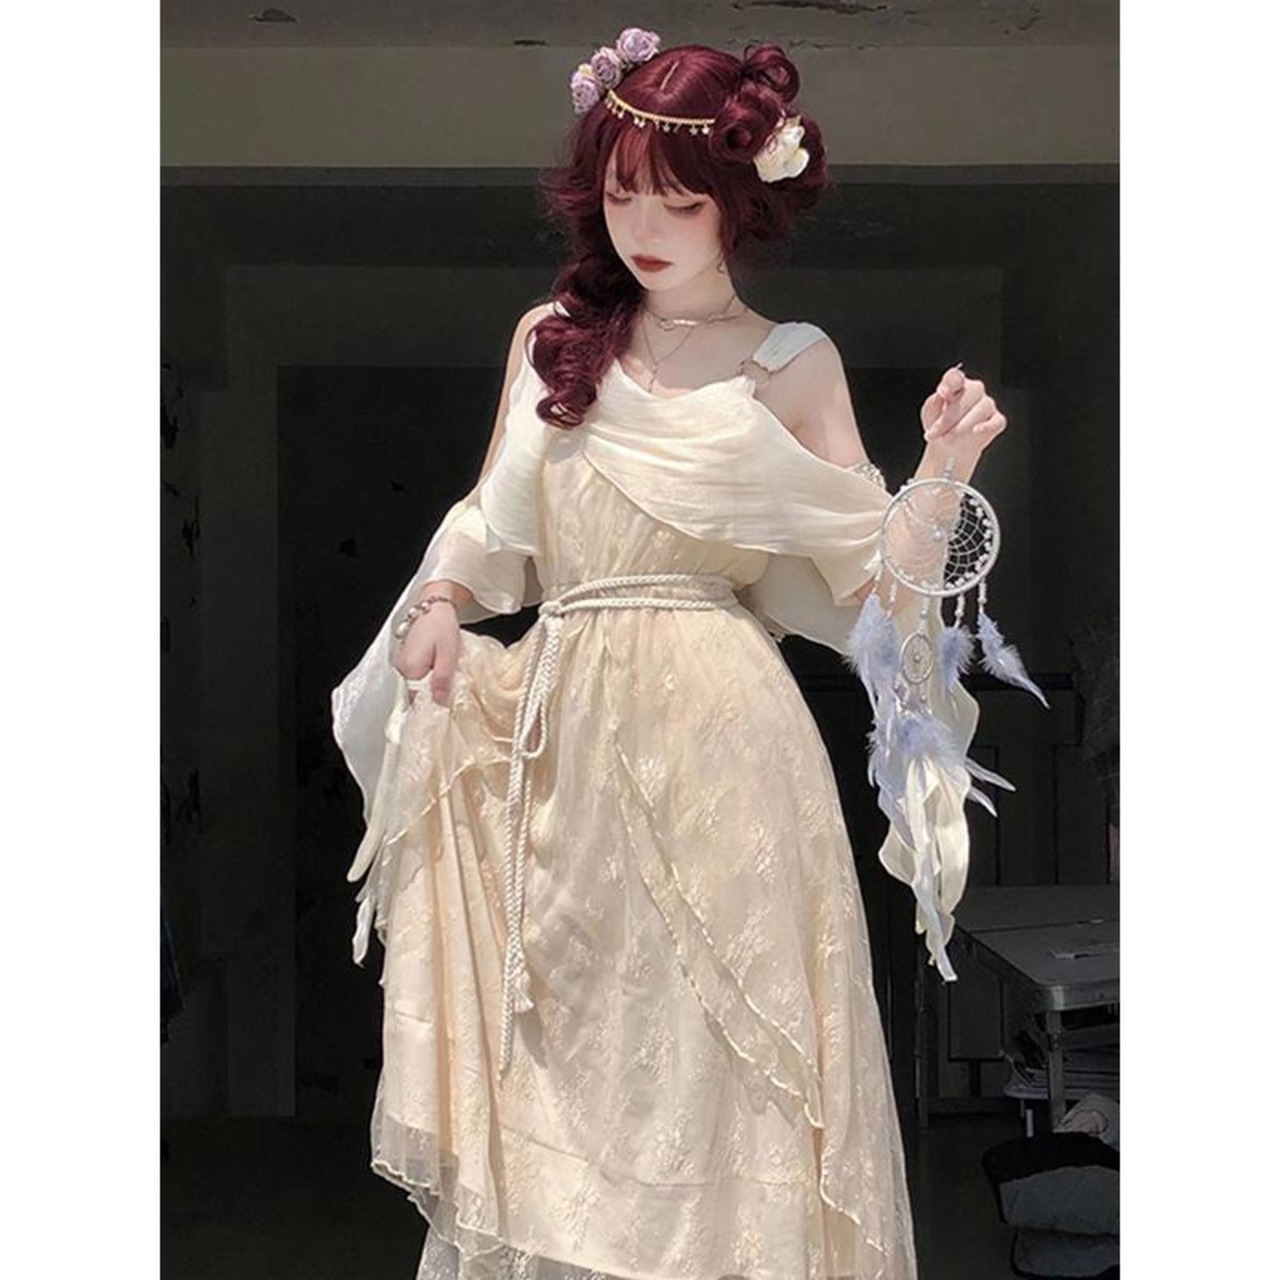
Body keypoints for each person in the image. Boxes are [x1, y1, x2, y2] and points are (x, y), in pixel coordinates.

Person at [332, 30, 1010, 1280]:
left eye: (679, 201)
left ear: (739, 201)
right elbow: (489, 521)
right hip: (563, 751)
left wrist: (943, 465)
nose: (642, 225)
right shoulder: (552, 338)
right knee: (567, 1053)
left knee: (726, 1060)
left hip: (723, 745)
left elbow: (875, 587)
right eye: (621, 192)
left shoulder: (789, 360)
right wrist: (439, 597)